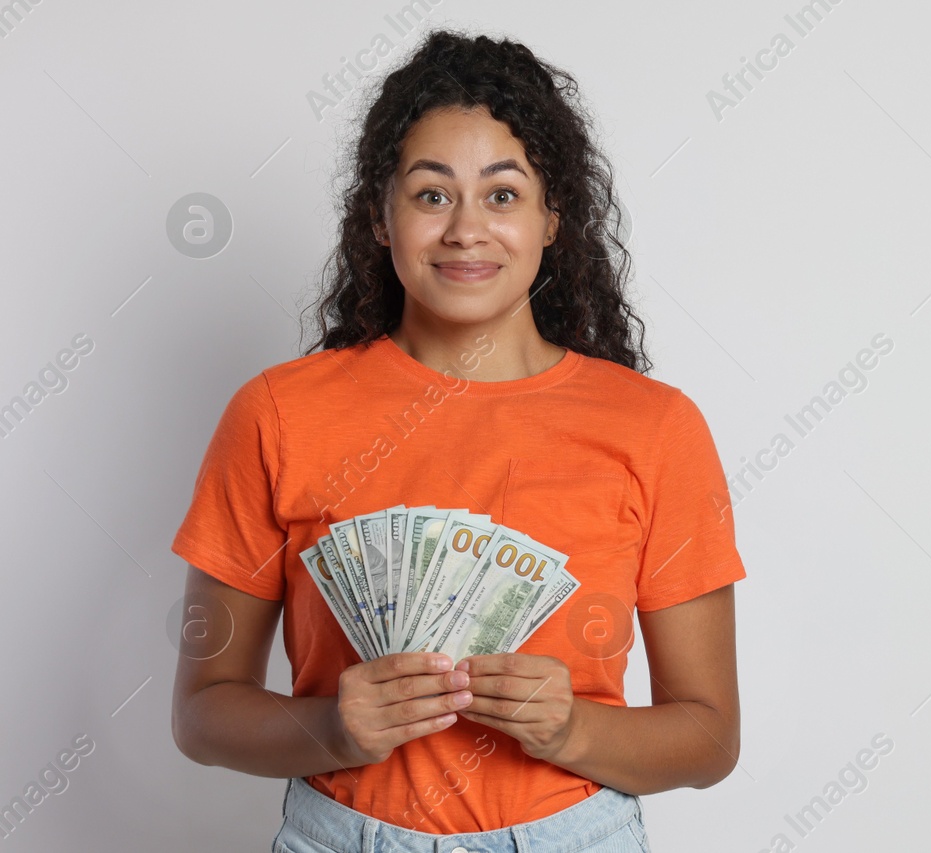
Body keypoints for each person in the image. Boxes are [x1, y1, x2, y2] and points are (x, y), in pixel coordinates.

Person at [169, 28, 745, 853]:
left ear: (553, 218)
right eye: (432, 194)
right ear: (379, 216)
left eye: (503, 195)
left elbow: (710, 737)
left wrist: (571, 728)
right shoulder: (276, 414)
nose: (466, 230)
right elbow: (202, 711)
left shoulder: (656, 426)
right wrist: (333, 729)